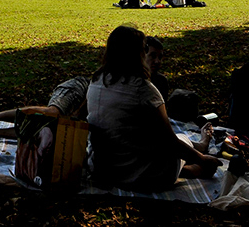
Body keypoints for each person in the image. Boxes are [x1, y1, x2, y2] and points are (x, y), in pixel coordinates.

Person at [86, 26, 220, 191]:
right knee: (181, 139)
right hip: (139, 175)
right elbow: (171, 142)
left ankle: (190, 162)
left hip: (102, 168)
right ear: (138, 53)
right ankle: (198, 154)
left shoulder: (96, 80)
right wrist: (203, 160)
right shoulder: (143, 90)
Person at [0, 76, 91, 141]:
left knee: (50, 134)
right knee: (53, 113)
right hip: (81, 90)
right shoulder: (108, 72)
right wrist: (79, 111)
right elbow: (97, 82)